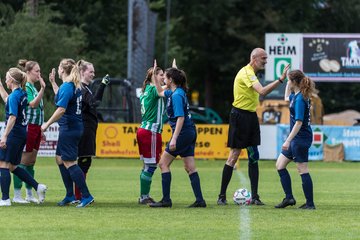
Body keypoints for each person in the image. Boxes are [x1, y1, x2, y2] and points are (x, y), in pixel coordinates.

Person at [217, 48, 290, 205]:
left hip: (250, 116)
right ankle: (221, 196)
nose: (266, 61)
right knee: (234, 155)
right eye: (263, 58)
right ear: (254, 58)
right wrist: (280, 80)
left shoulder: (253, 74)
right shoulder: (247, 73)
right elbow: (262, 92)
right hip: (239, 116)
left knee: (254, 156)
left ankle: (255, 197)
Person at [149, 61, 206, 208]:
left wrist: (174, 138)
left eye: (166, 78)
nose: (164, 80)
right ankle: (200, 201)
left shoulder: (176, 96)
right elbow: (160, 92)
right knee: (190, 167)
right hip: (189, 132)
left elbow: (180, 118)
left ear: (171, 80)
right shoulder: (176, 92)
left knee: (163, 163)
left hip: (183, 133)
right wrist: (155, 76)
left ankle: (166, 200)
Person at [42, 58, 94, 208]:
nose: (57, 70)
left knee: (69, 162)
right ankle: (70, 195)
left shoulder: (68, 86)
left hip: (69, 129)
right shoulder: (73, 85)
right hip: (74, 127)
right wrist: (52, 83)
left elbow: (61, 109)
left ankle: (86, 195)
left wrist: (46, 124)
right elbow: (63, 96)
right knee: (59, 159)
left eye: (59, 67)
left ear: (62, 70)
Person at [0, 68, 47, 206]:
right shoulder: (21, 93)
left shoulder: (15, 96)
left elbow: (13, 116)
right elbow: (6, 99)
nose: (5, 80)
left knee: (3, 164)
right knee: (13, 166)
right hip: (22, 133)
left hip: (14, 133)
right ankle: (38, 187)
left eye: (7, 78)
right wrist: (1, 87)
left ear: (12, 80)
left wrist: (4, 136)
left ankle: (5, 199)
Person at [274, 69, 316, 210]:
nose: (287, 82)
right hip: (296, 138)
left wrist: (287, 141)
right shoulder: (296, 95)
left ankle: (310, 204)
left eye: (289, 80)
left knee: (302, 169)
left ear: (294, 82)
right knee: (280, 165)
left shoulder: (300, 100)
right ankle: (289, 198)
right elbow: (286, 98)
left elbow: (298, 123)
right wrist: (287, 78)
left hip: (301, 138)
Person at [11, 60, 46, 204]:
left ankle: (29, 193)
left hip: (36, 127)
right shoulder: (27, 87)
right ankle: (17, 194)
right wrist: (43, 88)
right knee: (22, 162)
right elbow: (33, 104)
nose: (39, 73)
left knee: (31, 162)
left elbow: (39, 110)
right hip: (29, 127)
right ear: (28, 72)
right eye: (37, 71)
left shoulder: (33, 87)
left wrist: (41, 128)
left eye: (39, 71)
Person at [74, 60, 110, 201]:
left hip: (88, 128)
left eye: (93, 71)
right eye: (90, 71)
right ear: (82, 72)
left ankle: (79, 194)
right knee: (83, 161)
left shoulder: (86, 88)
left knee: (85, 162)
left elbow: (92, 105)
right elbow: (95, 103)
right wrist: (102, 86)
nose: (93, 74)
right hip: (84, 129)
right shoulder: (81, 88)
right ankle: (78, 195)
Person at [136, 65, 165, 204]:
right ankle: (144, 197)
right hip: (151, 131)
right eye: (161, 75)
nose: (164, 78)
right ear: (153, 77)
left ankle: (143, 195)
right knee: (151, 166)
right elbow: (167, 89)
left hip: (144, 130)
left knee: (146, 165)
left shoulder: (146, 90)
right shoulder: (154, 89)